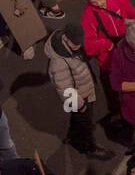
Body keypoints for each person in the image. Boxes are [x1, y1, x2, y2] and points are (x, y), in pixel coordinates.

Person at [45, 25, 110, 159]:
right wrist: (80, 105)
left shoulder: (71, 47)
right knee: (86, 123)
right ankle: (90, 148)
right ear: (65, 38)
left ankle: (73, 136)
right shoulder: (59, 63)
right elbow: (64, 89)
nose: (78, 46)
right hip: (79, 98)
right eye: (75, 43)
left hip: (82, 92)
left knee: (77, 118)